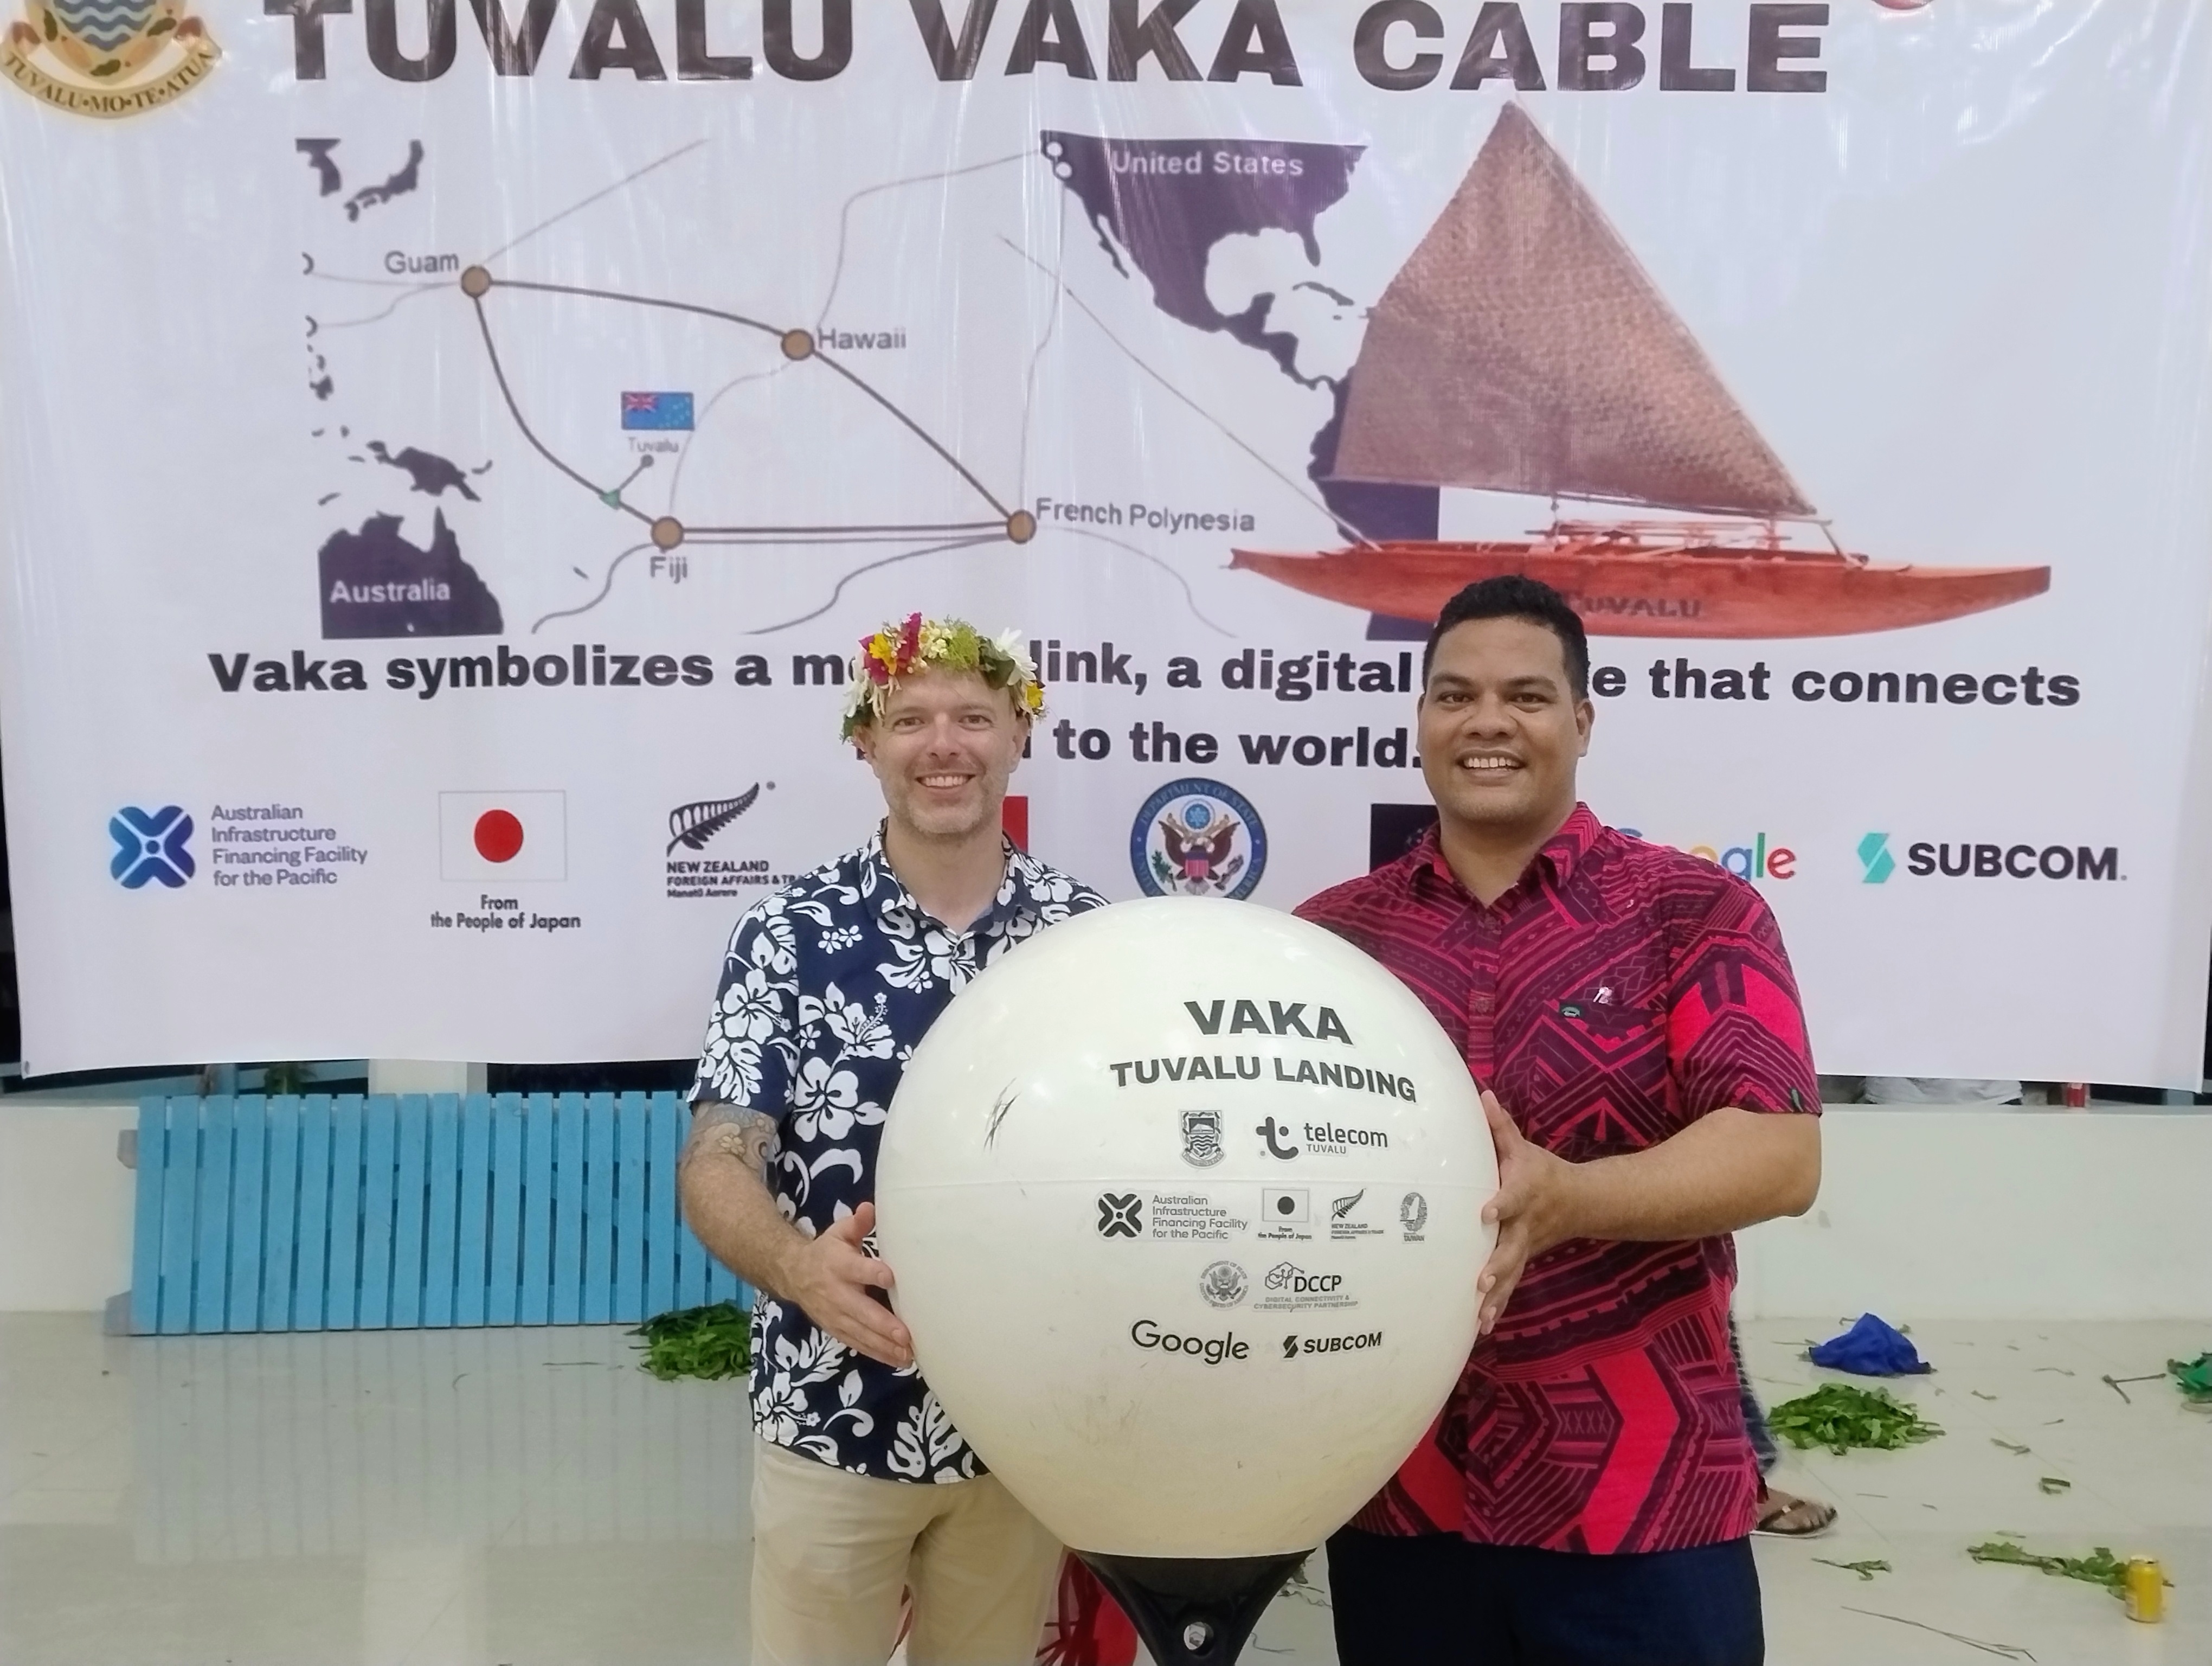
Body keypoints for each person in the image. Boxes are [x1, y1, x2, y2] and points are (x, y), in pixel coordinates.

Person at [1295, 576, 1823, 1666]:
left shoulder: (1695, 911)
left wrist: (1574, 1196)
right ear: (1421, 720)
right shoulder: (1330, 943)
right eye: (1455, 696)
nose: (1488, 722)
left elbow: (1780, 1152)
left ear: (1581, 721)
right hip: (1400, 1494)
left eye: (1527, 697)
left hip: (1644, 1499)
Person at [679, 613, 1107, 1666]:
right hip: (830, 1419)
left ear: (1022, 734)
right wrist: (796, 1267)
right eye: (909, 718)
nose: (942, 744)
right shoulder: (787, 933)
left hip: (1020, 1434)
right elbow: (717, 1158)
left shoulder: (1089, 942)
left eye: (973, 715)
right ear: (866, 742)